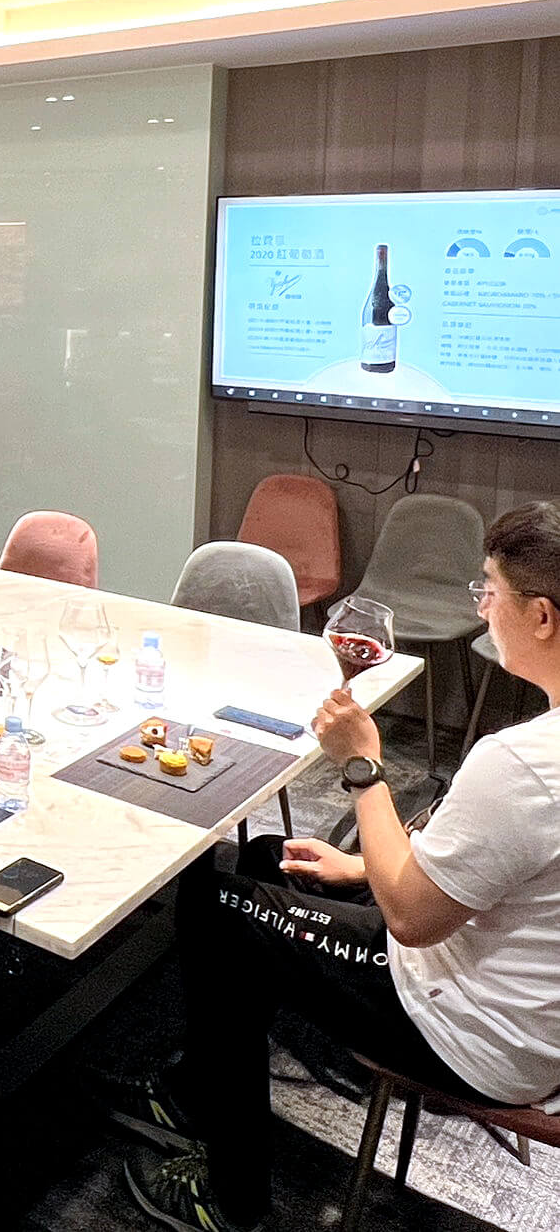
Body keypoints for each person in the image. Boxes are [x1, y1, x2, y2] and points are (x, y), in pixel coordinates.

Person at [115, 499, 560, 1232]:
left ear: (540, 616)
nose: (481, 607)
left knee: (219, 910)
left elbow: (412, 919)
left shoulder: (523, 763)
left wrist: (361, 765)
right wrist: (360, 870)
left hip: (474, 1029)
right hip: (519, 998)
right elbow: (499, 870)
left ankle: (231, 1197)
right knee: (263, 859)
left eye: (489, 590)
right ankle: (201, 1087)